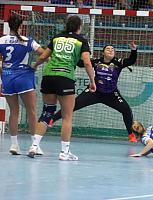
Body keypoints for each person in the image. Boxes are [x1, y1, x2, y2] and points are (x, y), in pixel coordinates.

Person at [27, 15, 96, 161]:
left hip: (48, 77)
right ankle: (64, 152)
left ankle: (34, 146)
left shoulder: (57, 37)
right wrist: (92, 80)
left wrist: (35, 66)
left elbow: (44, 56)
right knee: (67, 116)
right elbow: (87, 62)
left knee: (47, 112)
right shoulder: (81, 41)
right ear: (79, 27)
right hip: (65, 78)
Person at [53, 42, 138, 142]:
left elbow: (131, 60)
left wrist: (133, 50)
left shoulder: (119, 62)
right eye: (108, 49)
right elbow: (81, 63)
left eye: (112, 49)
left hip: (111, 94)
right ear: (103, 53)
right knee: (71, 106)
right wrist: (74, 54)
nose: (111, 50)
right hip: (94, 91)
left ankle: (131, 134)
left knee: (126, 110)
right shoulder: (96, 62)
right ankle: (51, 120)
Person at [0, 15, 44, 155]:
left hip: (7, 77)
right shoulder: (27, 41)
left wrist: (3, 71)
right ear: (21, 26)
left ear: (8, 25)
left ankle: (14, 145)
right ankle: (34, 145)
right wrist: (35, 65)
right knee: (31, 111)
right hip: (24, 76)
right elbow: (44, 54)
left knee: (13, 111)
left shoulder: (1, 40)